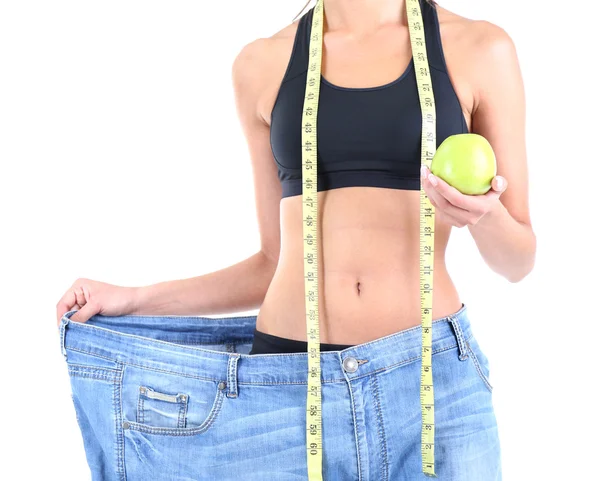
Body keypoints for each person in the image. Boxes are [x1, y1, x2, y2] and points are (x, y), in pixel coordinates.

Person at [56, 0, 535, 479]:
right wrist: (135, 299)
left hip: (432, 387)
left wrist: (484, 216)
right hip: (284, 389)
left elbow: (519, 259)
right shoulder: (263, 63)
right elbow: (272, 262)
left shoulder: (479, 49)